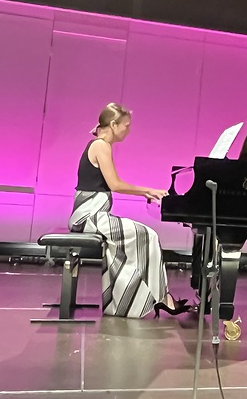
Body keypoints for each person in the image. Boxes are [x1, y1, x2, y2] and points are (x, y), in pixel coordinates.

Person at [68, 102, 187, 319]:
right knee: (148, 235)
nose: (128, 130)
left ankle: (130, 301)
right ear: (113, 125)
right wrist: (147, 190)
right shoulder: (101, 145)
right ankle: (161, 298)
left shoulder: (99, 145)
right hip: (89, 216)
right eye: (126, 125)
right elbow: (115, 184)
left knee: (137, 240)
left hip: (93, 215)